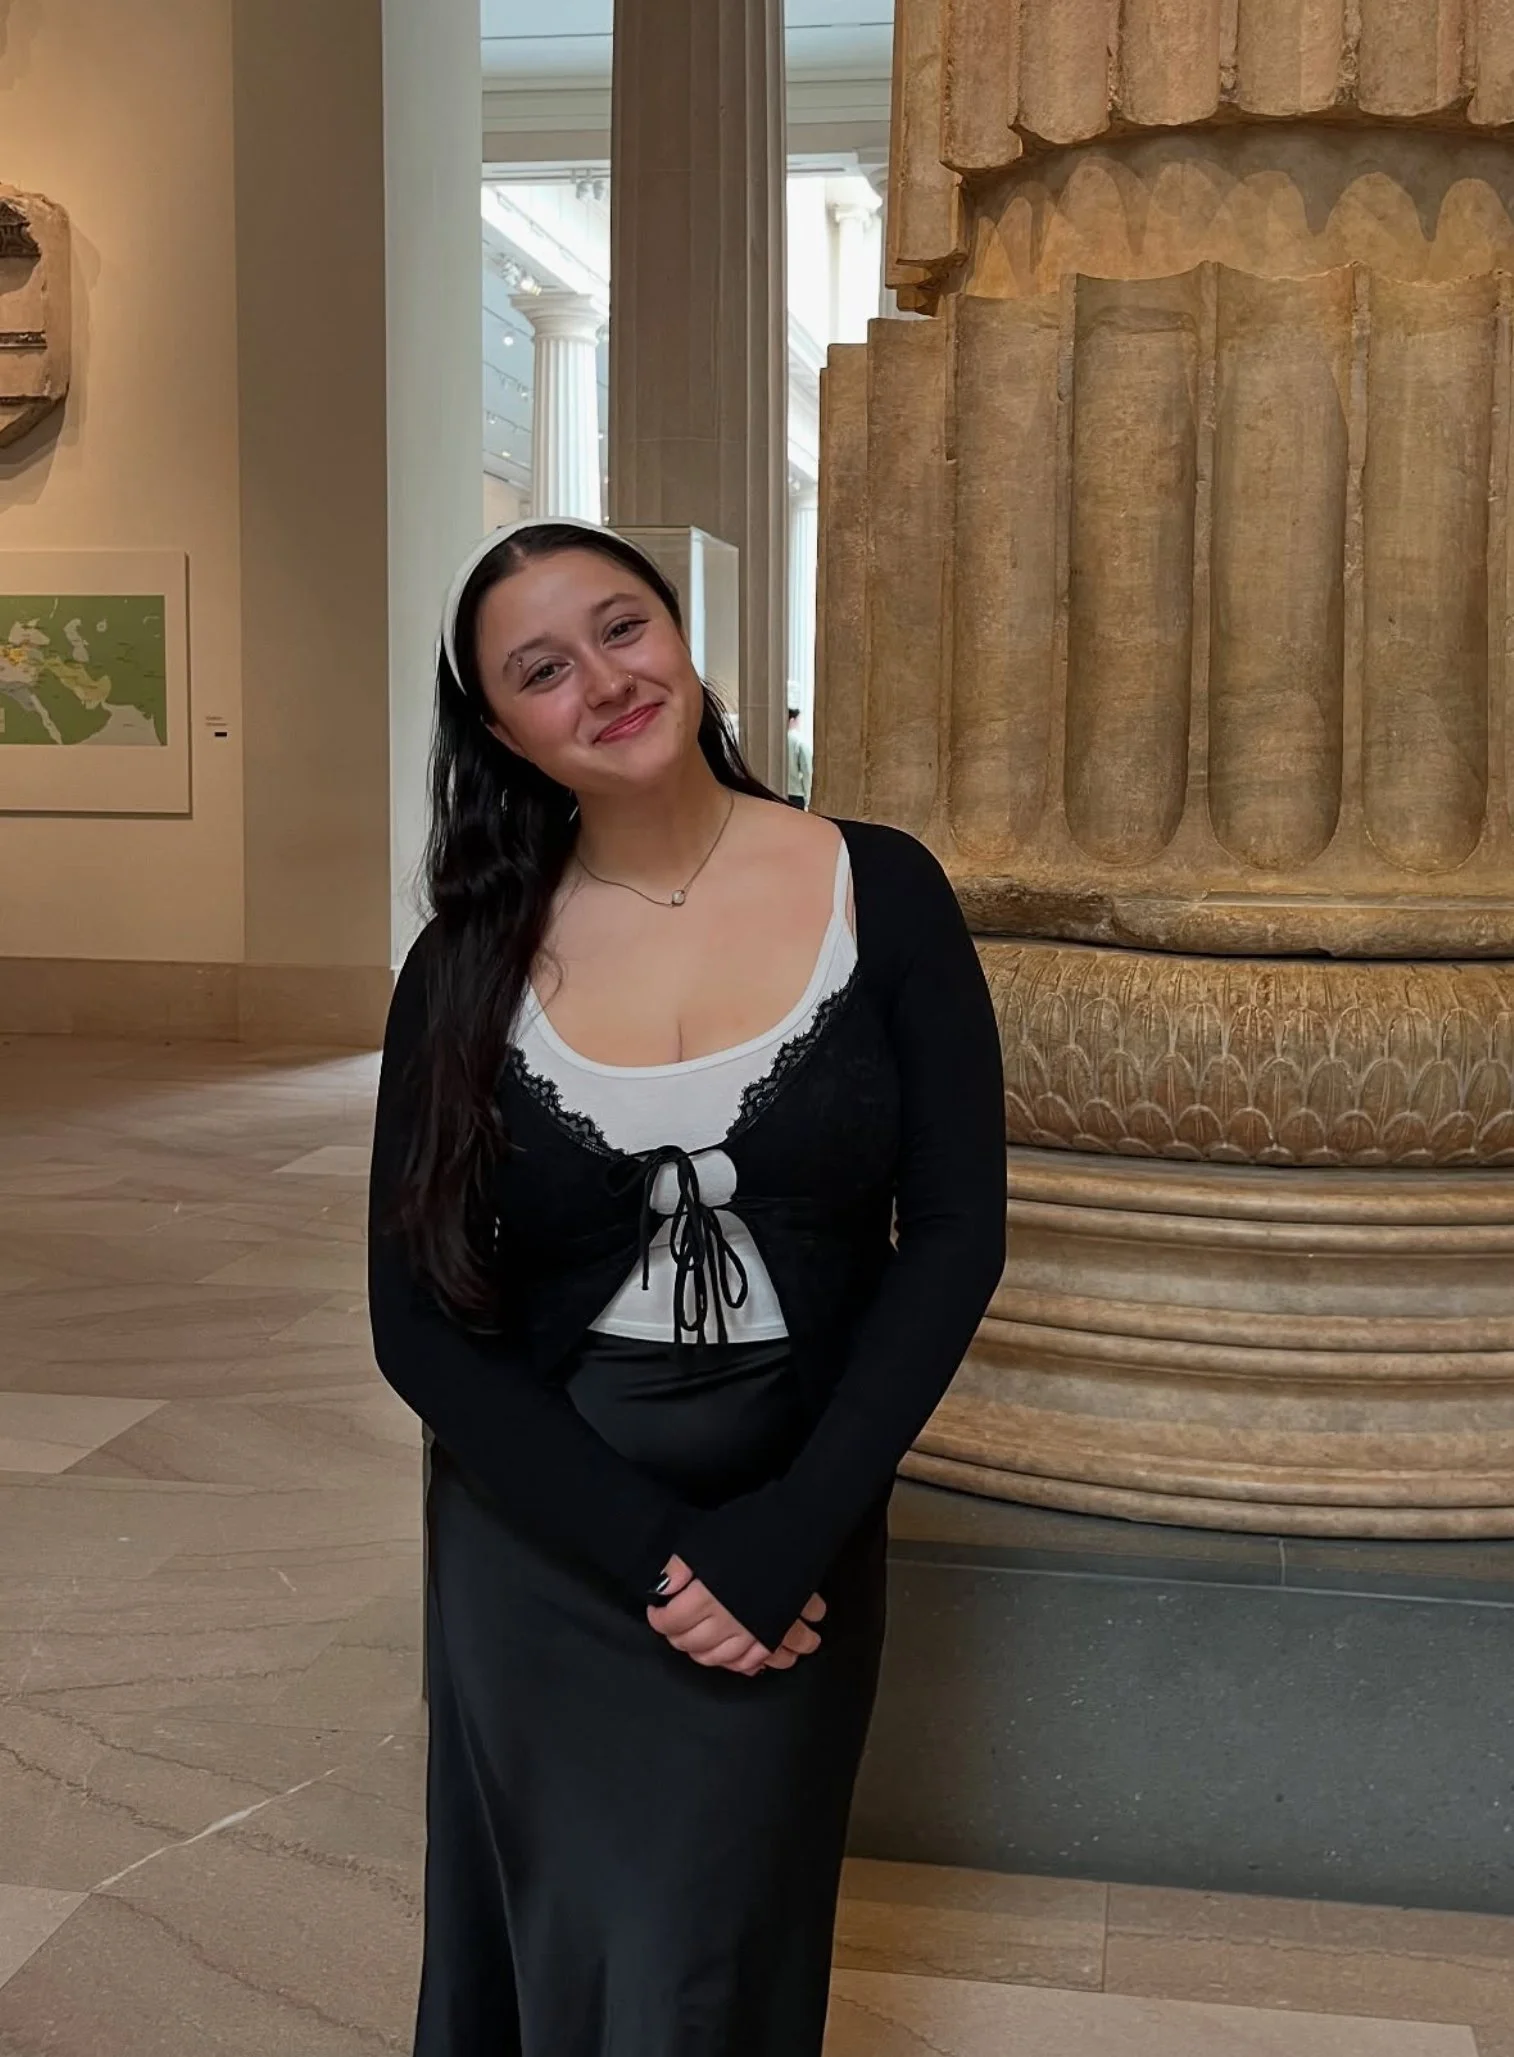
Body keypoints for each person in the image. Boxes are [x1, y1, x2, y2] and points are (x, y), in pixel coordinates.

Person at [367, 515, 1006, 2057]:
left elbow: (955, 1235)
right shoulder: (465, 962)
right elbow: (415, 1324)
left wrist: (788, 1537)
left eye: (621, 626)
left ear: (680, 633)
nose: (601, 681)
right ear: (501, 731)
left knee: (713, 1962)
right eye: (540, 670)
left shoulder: (878, 889)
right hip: (543, 1535)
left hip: (790, 1519)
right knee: (556, 1948)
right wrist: (655, 1557)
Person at [786, 701, 812, 808]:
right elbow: (807, 771)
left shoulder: (775, 740)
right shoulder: (800, 741)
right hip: (796, 794)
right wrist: (808, 795)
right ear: (792, 721)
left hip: (778, 792)